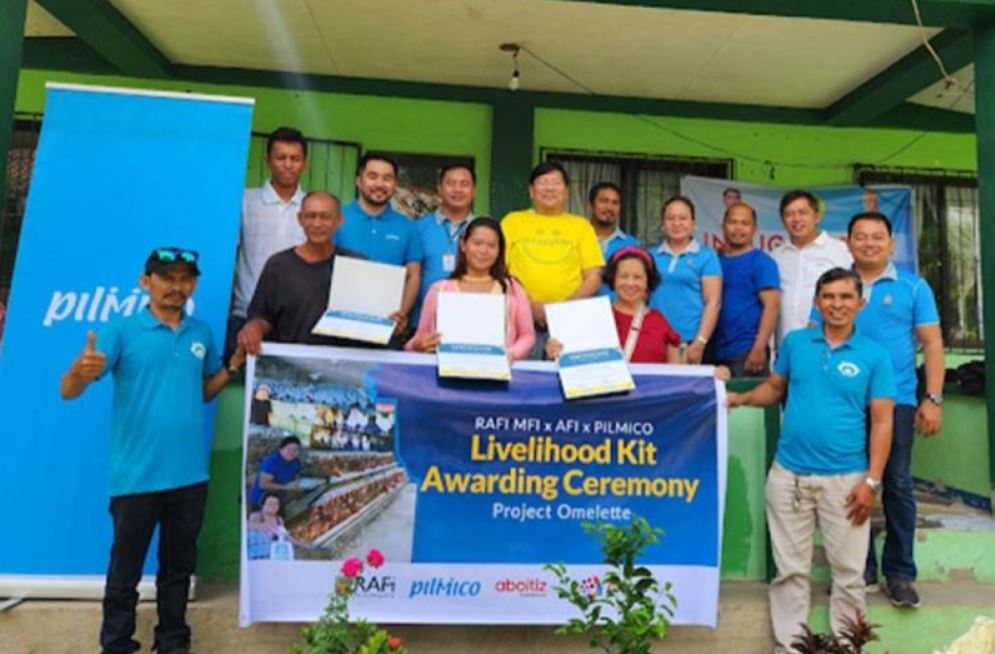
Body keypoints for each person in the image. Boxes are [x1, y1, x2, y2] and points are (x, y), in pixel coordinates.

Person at [60, 247, 243, 654]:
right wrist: (78, 372)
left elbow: (203, 391)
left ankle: (173, 643)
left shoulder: (200, 333)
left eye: (185, 279)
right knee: (124, 574)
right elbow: (67, 391)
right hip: (136, 478)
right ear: (146, 282)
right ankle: (117, 645)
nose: (177, 286)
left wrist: (232, 367)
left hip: (190, 478)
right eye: (167, 278)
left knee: (178, 572)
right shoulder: (121, 330)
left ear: (194, 284)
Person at [727, 267, 895, 653]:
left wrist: (872, 482)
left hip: (847, 481)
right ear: (817, 302)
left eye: (845, 297)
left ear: (860, 303)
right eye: (829, 297)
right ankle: (792, 648)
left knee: (849, 574)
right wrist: (742, 398)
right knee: (789, 572)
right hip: (789, 476)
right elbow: (774, 388)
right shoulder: (796, 343)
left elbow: (883, 421)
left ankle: (847, 648)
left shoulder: (874, 355)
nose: (837, 304)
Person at [847, 211, 944, 607]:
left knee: (897, 484)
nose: (869, 243)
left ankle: (900, 573)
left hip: (898, 400)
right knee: (851, 484)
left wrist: (932, 398)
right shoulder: (838, 285)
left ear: (891, 244)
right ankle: (860, 569)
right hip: (846, 403)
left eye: (877, 237)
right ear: (848, 242)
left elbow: (932, 344)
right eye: (861, 236)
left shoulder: (913, 286)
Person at [501, 162, 605, 358]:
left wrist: (562, 310)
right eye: (543, 182)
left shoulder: (581, 226)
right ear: (531, 191)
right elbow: (500, 271)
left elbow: (594, 276)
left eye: (556, 182)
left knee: (565, 373)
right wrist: (528, 306)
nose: (549, 188)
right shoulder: (512, 221)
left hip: (570, 319)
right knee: (521, 373)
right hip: (519, 318)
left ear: (566, 191)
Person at [236, 192, 362, 353]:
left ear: (339, 220)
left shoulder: (356, 265)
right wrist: (254, 328)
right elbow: (262, 316)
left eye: (325, 217)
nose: (317, 224)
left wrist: (389, 320)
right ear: (300, 219)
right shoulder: (278, 266)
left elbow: (370, 320)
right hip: (287, 364)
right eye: (310, 216)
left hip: (341, 364)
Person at [407, 217, 535, 360]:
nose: (483, 250)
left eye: (491, 246)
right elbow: (417, 340)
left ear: (499, 251)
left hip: (499, 370)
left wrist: (511, 354)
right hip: (449, 370)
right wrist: (418, 345)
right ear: (463, 245)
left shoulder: (512, 288)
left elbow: (527, 335)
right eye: (477, 243)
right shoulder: (439, 290)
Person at [230, 127, 308, 353]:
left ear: (305, 164)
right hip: (246, 314)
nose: (288, 165)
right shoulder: (245, 201)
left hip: (296, 320)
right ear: (267, 161)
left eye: (295, 158)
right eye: (280, 157)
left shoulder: (312, 209)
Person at [334, 152, 423, 339]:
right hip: (340, 324)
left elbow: (413, 275)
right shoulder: (337, 218)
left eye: (387, 178)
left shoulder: (407, 226)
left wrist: (401, 314)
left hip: (388, 327)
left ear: (395, 184)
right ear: (359, 181)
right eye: (372, 176)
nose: (380, 184)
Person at [547, 247, 680, 363]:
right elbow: (571, 364)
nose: (630, 283)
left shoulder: (659, 321)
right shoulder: (593, 318)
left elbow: (675, 372)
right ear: (613, 279)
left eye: (637, 277)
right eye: (623, 276)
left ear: (648, 282)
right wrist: (555, 352)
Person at [772, 189, 852, 344]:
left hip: (828, 345)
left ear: (817, 217)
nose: (796, 219)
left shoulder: (839, 251)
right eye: (789, 214)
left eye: (802, 213)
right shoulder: (775, 256)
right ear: (782, 220)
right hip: (785, 346)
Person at [649, 196, 722, 364]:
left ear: (693, 223)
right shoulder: (650, 256)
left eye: (683, 218)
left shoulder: (706, 256)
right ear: (663, 224)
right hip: (655, 338)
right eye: (670, 218)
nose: (676, 223)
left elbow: (713, 302)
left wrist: (700, 341)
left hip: (689, 341)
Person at [715, 202, 780, 376]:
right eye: (733, 222)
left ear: (754, 228)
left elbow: (772, 306)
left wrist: (759, 348)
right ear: (723, 226)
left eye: (745, 223)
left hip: (746, 352)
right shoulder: (713, 261)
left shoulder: (762, 262)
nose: (738, 228)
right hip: (714, 351)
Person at [413, 164, 476, 324]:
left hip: (470, 320)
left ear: (473, 191)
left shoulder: (483, 230)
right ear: (440, 189)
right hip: (422, 320)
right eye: (451, 183)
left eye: (464, 184)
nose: (457, 189)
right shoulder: (418, 228)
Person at [246, 493, 310, 560]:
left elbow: (285, 536)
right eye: (269, 503)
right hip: (259, 556)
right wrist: (260, 526)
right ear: (263, 505)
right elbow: (247, 526)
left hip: (276, 555)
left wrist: (301, 544)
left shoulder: (279, 519)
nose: (273, 506)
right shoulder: (256, 516)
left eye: (276, 504)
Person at [248, 436, 304, 509]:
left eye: (296, 450)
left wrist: (298, 483)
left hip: (279, 499)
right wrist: (286, 487)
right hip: (261, 500)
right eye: (289, 449)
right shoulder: (272, 462)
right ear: (281, 449)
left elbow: (296, 475)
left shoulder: (296, 461)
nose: (292, 452)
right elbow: (263, 484)